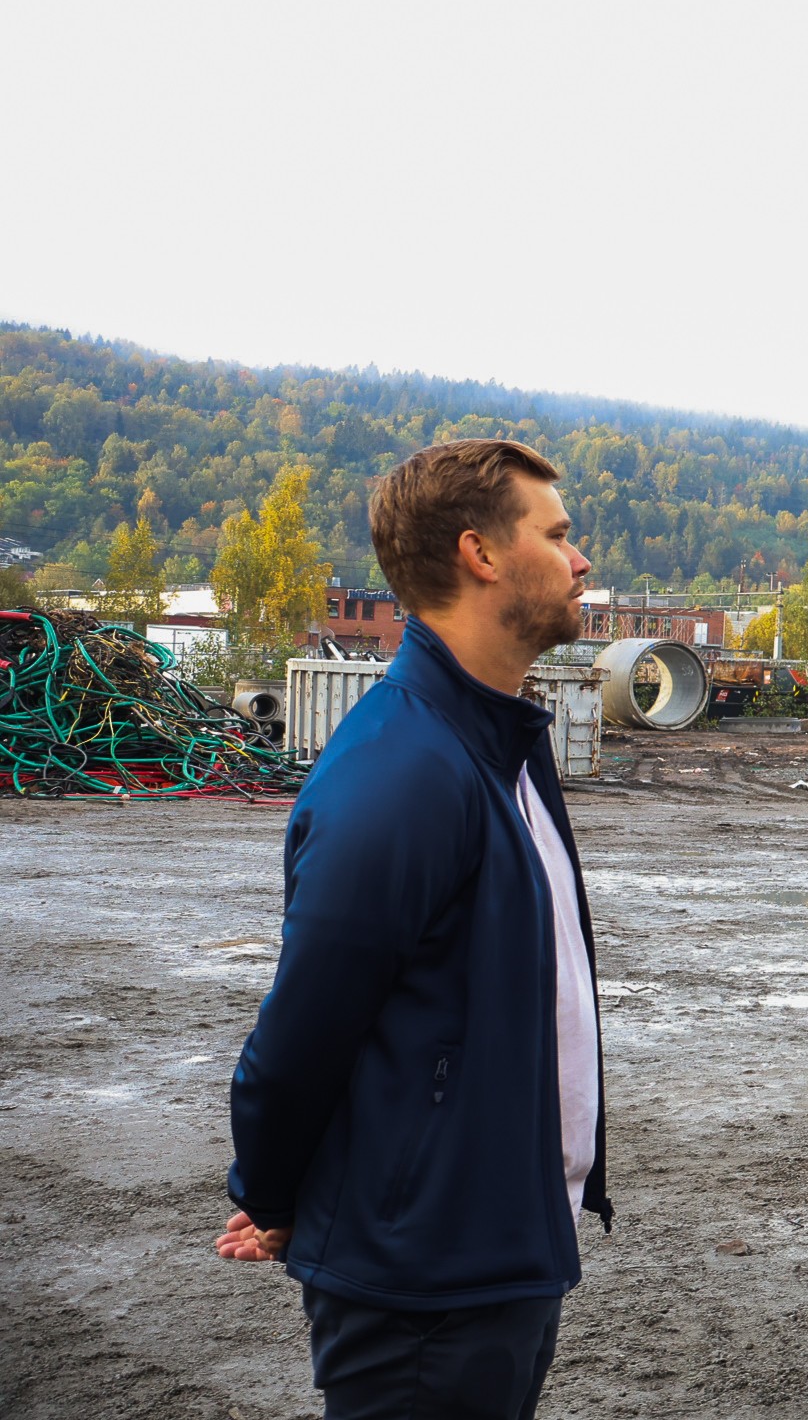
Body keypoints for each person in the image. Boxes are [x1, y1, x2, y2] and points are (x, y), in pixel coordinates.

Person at [214, 438, 608, 1420]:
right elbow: (301, 1035)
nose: (580, 560)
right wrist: (272, 1194)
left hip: (501, 1250)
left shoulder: (505, 744)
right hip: (424, 1283)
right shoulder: (404, 770)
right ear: (482, 553)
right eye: (557, 535)